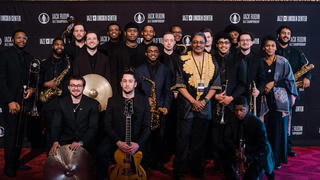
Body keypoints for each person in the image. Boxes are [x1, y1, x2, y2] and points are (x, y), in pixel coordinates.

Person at [173, 32, 221, 180]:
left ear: (205, 43)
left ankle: (197, 169)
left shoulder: (212, 59)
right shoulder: (181, 59)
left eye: (201, 42)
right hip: (187, 106)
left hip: (205, 106)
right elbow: (179, 84)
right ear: (191, 43)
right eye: (195, 42)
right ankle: (179, 171)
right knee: (183, 141)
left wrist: (204, 101)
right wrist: (193, 101)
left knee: (199, 142)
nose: (198, 44)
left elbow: (216, 84)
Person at [98, 69, 150, 180]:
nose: (127, 84)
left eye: (130, 81)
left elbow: (147, 127)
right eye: (124, 81)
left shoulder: (143, 101)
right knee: (101, 152)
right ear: (121, 83)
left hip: (136, 139)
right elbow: (107, 124)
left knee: (149, 154)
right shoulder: (112, 100)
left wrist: (138, 144)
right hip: (116, 138)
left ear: (135, 84)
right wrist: (117, 141)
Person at [0, 29, 34, 177]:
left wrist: (32, 89)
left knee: (20, 135)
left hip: (24, 101)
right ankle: (9, 166)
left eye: (24, 38)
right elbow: (1, 80)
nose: (22, 40)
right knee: (12, 134)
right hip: (11, 102)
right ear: (13, 40)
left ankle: (15, 162)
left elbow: (32, 79)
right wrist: (10, 101)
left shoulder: (29, 57)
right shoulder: (5, 55)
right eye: (18, 38)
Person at [260, 36, 298, 170]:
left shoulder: (283, 61)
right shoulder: (260, 62)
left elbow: (290, 81)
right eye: (267, 46)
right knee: (265, 130)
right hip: (263, 100)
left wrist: (274, 83)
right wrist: (263, 86)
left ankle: (276, 160)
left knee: (278, 132)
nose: (270, 48)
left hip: (280, 101)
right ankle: (265, 159)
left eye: (272, 45)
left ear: (276, 48)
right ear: (264, 47)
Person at [211, 32, 247, 173]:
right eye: (221, 43)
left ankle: (230, 165)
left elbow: (243, 84)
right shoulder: (210, 59)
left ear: (230, 44)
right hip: (214, 103)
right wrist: (215, 96)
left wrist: (230, 97)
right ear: (217, 44)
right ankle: (217, 164)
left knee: (229, 138)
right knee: (215, 138)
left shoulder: (239, 60)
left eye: (226, 43)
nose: (223, 45)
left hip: (231, 105)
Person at [135, 43, 172, 172]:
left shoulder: (166, 69)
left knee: (159, 138)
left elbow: (168, 90)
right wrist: (146, 99)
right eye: (150, 51)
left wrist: (166, 106)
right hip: (144, 108)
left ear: (159, 53)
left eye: (155, 51)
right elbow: (136, 90)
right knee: (145, 136)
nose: (152, 53)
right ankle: (144, 162)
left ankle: (158, 162)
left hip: (160, 108)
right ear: (146, 53)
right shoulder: (138, 70)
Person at [276, 25, 312, 157]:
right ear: (278, 35)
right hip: (275, 91)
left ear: (290, 36)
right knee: (275, 121)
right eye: (283, 33)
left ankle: (287, 147)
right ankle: (275, 147)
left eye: (288, 33)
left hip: (291, 92)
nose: (286, 35)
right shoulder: (272, 50)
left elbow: (306, 68)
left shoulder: (297, 52)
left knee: (289, 121)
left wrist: (307, 78)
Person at [223, 96, 275, 180]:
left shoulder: (257, 123)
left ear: (247, 108)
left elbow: (262, 147)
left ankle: (268, 173)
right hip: (239, 151)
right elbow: (226, 139)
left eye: (241, 110)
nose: (238, 113)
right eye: (236, 110)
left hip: (256, 155)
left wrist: (248, 158)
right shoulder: (231, 120)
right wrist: (235, 151)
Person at [49, 75, 99, 156]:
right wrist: (55, 141)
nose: (76, 88)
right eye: (73, 85)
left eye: (79, 85)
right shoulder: (61, 102)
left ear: (83, 87)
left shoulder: (92, 104)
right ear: (68, 87)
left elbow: (93, 128)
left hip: (85, 141)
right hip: (65, 141)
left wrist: (81, 142)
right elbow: (56, 125)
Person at [40, 37, 72, 151]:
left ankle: (63, 157)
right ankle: (50, 157)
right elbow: (38, 82)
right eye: (57, 44)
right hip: (49, 103)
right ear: (53, 46)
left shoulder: (67, 64)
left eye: (62, 45)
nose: (59, 47)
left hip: (64, 100)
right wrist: (46, 84)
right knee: (50, 130)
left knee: (64, 129)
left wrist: (61, 88)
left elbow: (70, 81)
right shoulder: (44, 64)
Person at [237, 32, 266, 116]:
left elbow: (263, 80)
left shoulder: (258, 59)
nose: (245, 42)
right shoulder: (233, 58)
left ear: (252, 42)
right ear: (239, 43)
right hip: (237, 98)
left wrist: (258, 91)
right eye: (242, 40)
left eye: (247, 40)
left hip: (253, 98)